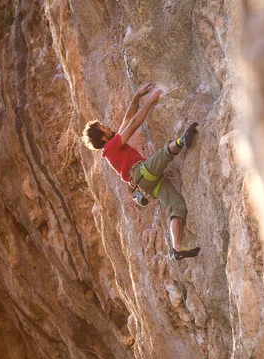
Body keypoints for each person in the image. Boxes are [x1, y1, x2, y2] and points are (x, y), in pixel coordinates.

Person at [81, 83, 200, 260]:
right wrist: (150, 101)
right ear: (104, 137)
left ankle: (177, 247)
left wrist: (136, 97)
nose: (108, 126)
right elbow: (134, 124)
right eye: (104, 127)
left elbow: (127, 119)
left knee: (177, 205)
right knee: (163, 153)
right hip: (142, 173)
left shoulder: (110, 150)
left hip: (147, 187)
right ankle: (183, 140)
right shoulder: (111, 145)